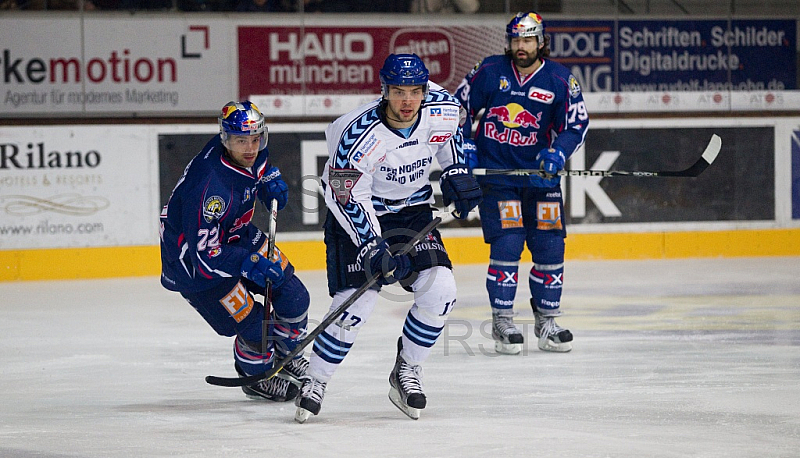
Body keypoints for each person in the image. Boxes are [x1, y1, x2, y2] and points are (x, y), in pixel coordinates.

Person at [294, 53, 482, 422]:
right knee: (355, 306)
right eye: (399, 91)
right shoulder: (356, 135)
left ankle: (407, 370)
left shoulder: (442, 107)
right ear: (384, 90)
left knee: (441, 290)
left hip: (412, 211)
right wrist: (371, 245)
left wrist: (456, 171)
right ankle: (314, 380)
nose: (408, 101)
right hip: (358, 213)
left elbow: (448, 136)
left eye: (415, 91)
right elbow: (345, 195)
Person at [454, 12, 589, 355]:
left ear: (541, 42)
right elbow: (456, 107)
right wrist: (466, 147)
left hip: (540, 179)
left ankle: (547, 321)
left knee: (549, 246)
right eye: (516, 40)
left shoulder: (559, 79)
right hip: (498, 178)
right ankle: (503, 321)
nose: (521, 47)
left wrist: (558, 153)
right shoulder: (489, 70)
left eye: (528, 40)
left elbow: (576, 124)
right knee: (508, 243)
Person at [159, 100, 310, 402]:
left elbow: (260, 158)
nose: (251, 147)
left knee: (294, 295)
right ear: (226, 139)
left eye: (256, 138)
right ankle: (256, 377)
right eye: (242, 140)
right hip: (195, 265)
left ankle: (286, 354)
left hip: (235, 236)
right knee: (257, 326)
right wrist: (246, 261)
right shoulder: (210, 187)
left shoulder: (241, 149)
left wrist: (268, 177)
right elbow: (204, 256)